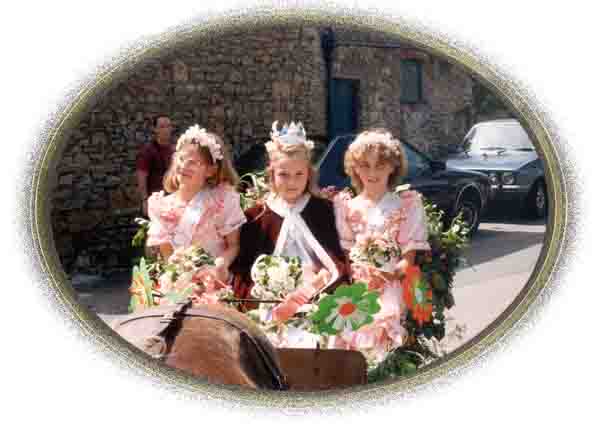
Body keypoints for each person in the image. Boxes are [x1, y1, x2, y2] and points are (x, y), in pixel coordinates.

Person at [231, 121, 348, 322]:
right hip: (271, 306)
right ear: (271, 175)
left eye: (298, 174)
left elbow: (339, 260)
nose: (292, 182)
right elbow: (243, 273)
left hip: (318, 300)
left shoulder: (325, 211)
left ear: (309, 174)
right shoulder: (256, 217)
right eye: (283, 175)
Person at [332, 128, 431, 364]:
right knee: (345, 331)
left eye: (380, 165)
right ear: (354, 168)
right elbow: (344, 255)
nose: (372, 172)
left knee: (383, 325)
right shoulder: (346, 206)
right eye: (364, 165)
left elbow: (408, 259)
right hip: (356, 285)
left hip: (392, 282)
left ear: (393, 167)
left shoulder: (406, 205)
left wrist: (387, 275)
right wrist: (360, 278)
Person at [145, 125, 245, 291]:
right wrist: (180, 275)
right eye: (181, 159)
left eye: (193, 162)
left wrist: (221, 264)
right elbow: (167, 256)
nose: (184, 165)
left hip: (216, 282)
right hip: (178, 284)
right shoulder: (161, 206)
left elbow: (233, 245)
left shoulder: (223, 200)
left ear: (211, 170)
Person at [136, 114, 176, 215]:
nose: (166, 130)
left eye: (168, 126)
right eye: (162, 127)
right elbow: (142, 176)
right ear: (155, 129)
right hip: (155, 202)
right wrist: (144, 201)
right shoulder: (148, 151)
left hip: (173, 201)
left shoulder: (174, 149)